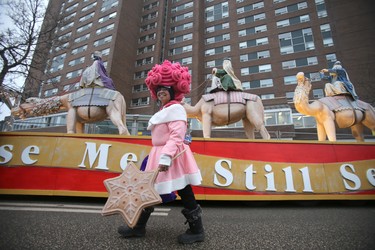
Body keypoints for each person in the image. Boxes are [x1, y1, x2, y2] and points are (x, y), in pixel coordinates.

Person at [117, 60, 204, 244]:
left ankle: (197, 230)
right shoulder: (166, 109)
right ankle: (138, 227)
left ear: (174, 88)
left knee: (184, 190)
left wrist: (166, 157)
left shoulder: (176, 109)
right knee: (149, 189)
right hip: (159, 154)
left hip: (171, 155)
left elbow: (176, 136)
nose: (160, 91)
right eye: (158, 89)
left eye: (165, 87)